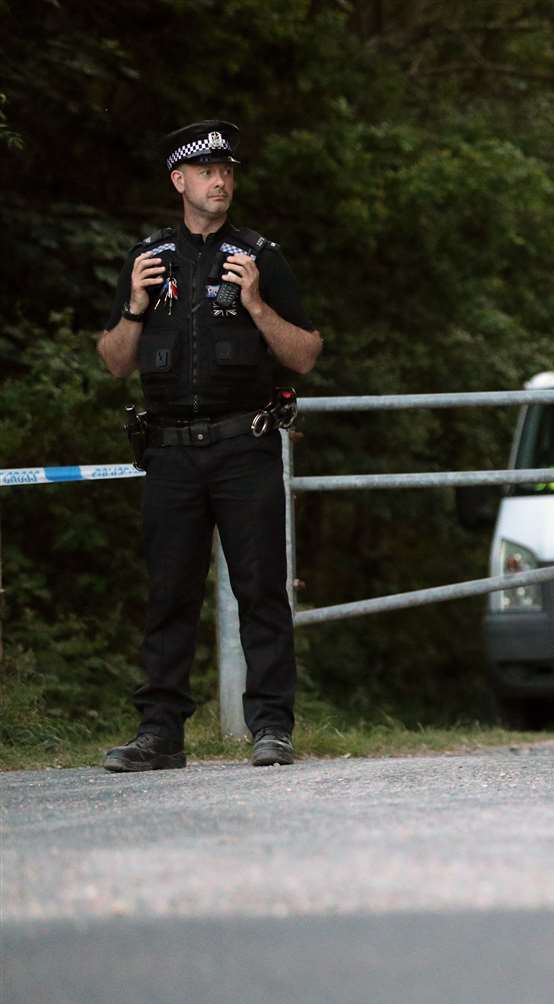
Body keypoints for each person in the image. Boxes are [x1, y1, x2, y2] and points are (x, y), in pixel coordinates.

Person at [96, 121, 323, 771]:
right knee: (168, 592)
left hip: (243, 446)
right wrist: (135, 308)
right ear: (180, 181)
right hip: (168, 454)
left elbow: (305, 354)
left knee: (261, 591)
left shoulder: (259, 255)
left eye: (227, 171)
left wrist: (256, 303)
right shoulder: (148, 258)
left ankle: (271, 727)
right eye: (206, 172)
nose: (219, 181)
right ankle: (160, 733)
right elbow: (114, 363)